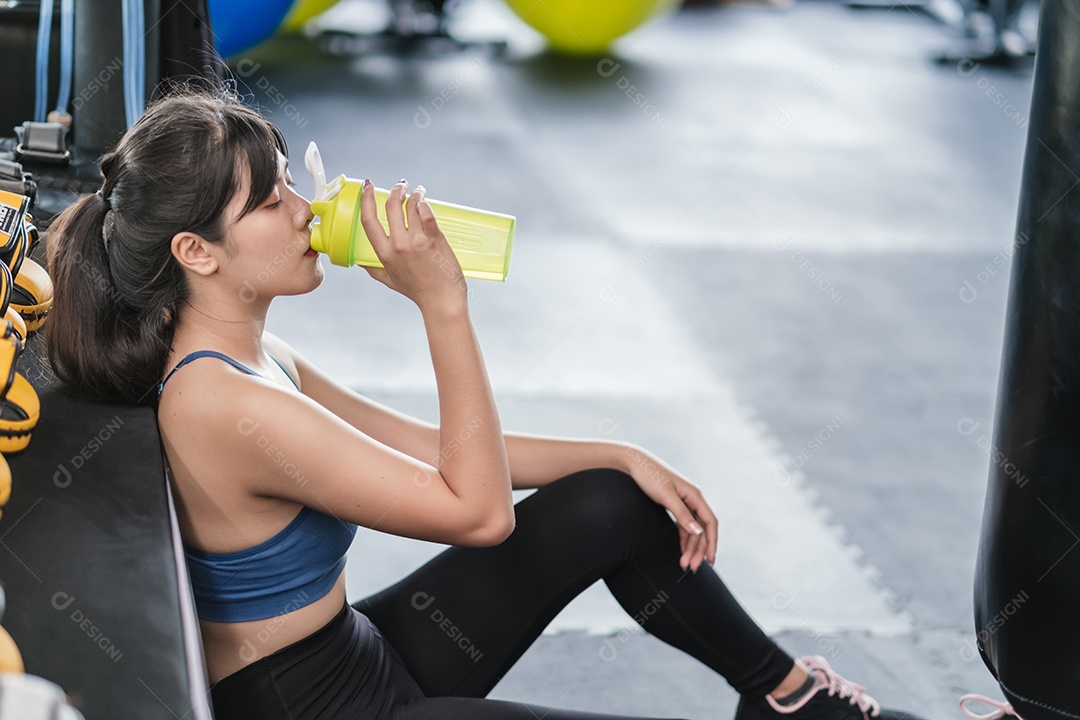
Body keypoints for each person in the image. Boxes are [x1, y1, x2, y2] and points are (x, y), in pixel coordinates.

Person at [46, 91, 919, 720]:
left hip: (360, 654)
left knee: (612, 501)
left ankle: (787, 697)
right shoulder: (221, 405)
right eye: (274, 202)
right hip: (310, 708)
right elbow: (479, 512)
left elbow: (438, 448)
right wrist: (443, 306)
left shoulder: (253, 354)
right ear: (198, 252)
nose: (309, 211)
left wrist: (616, 456)